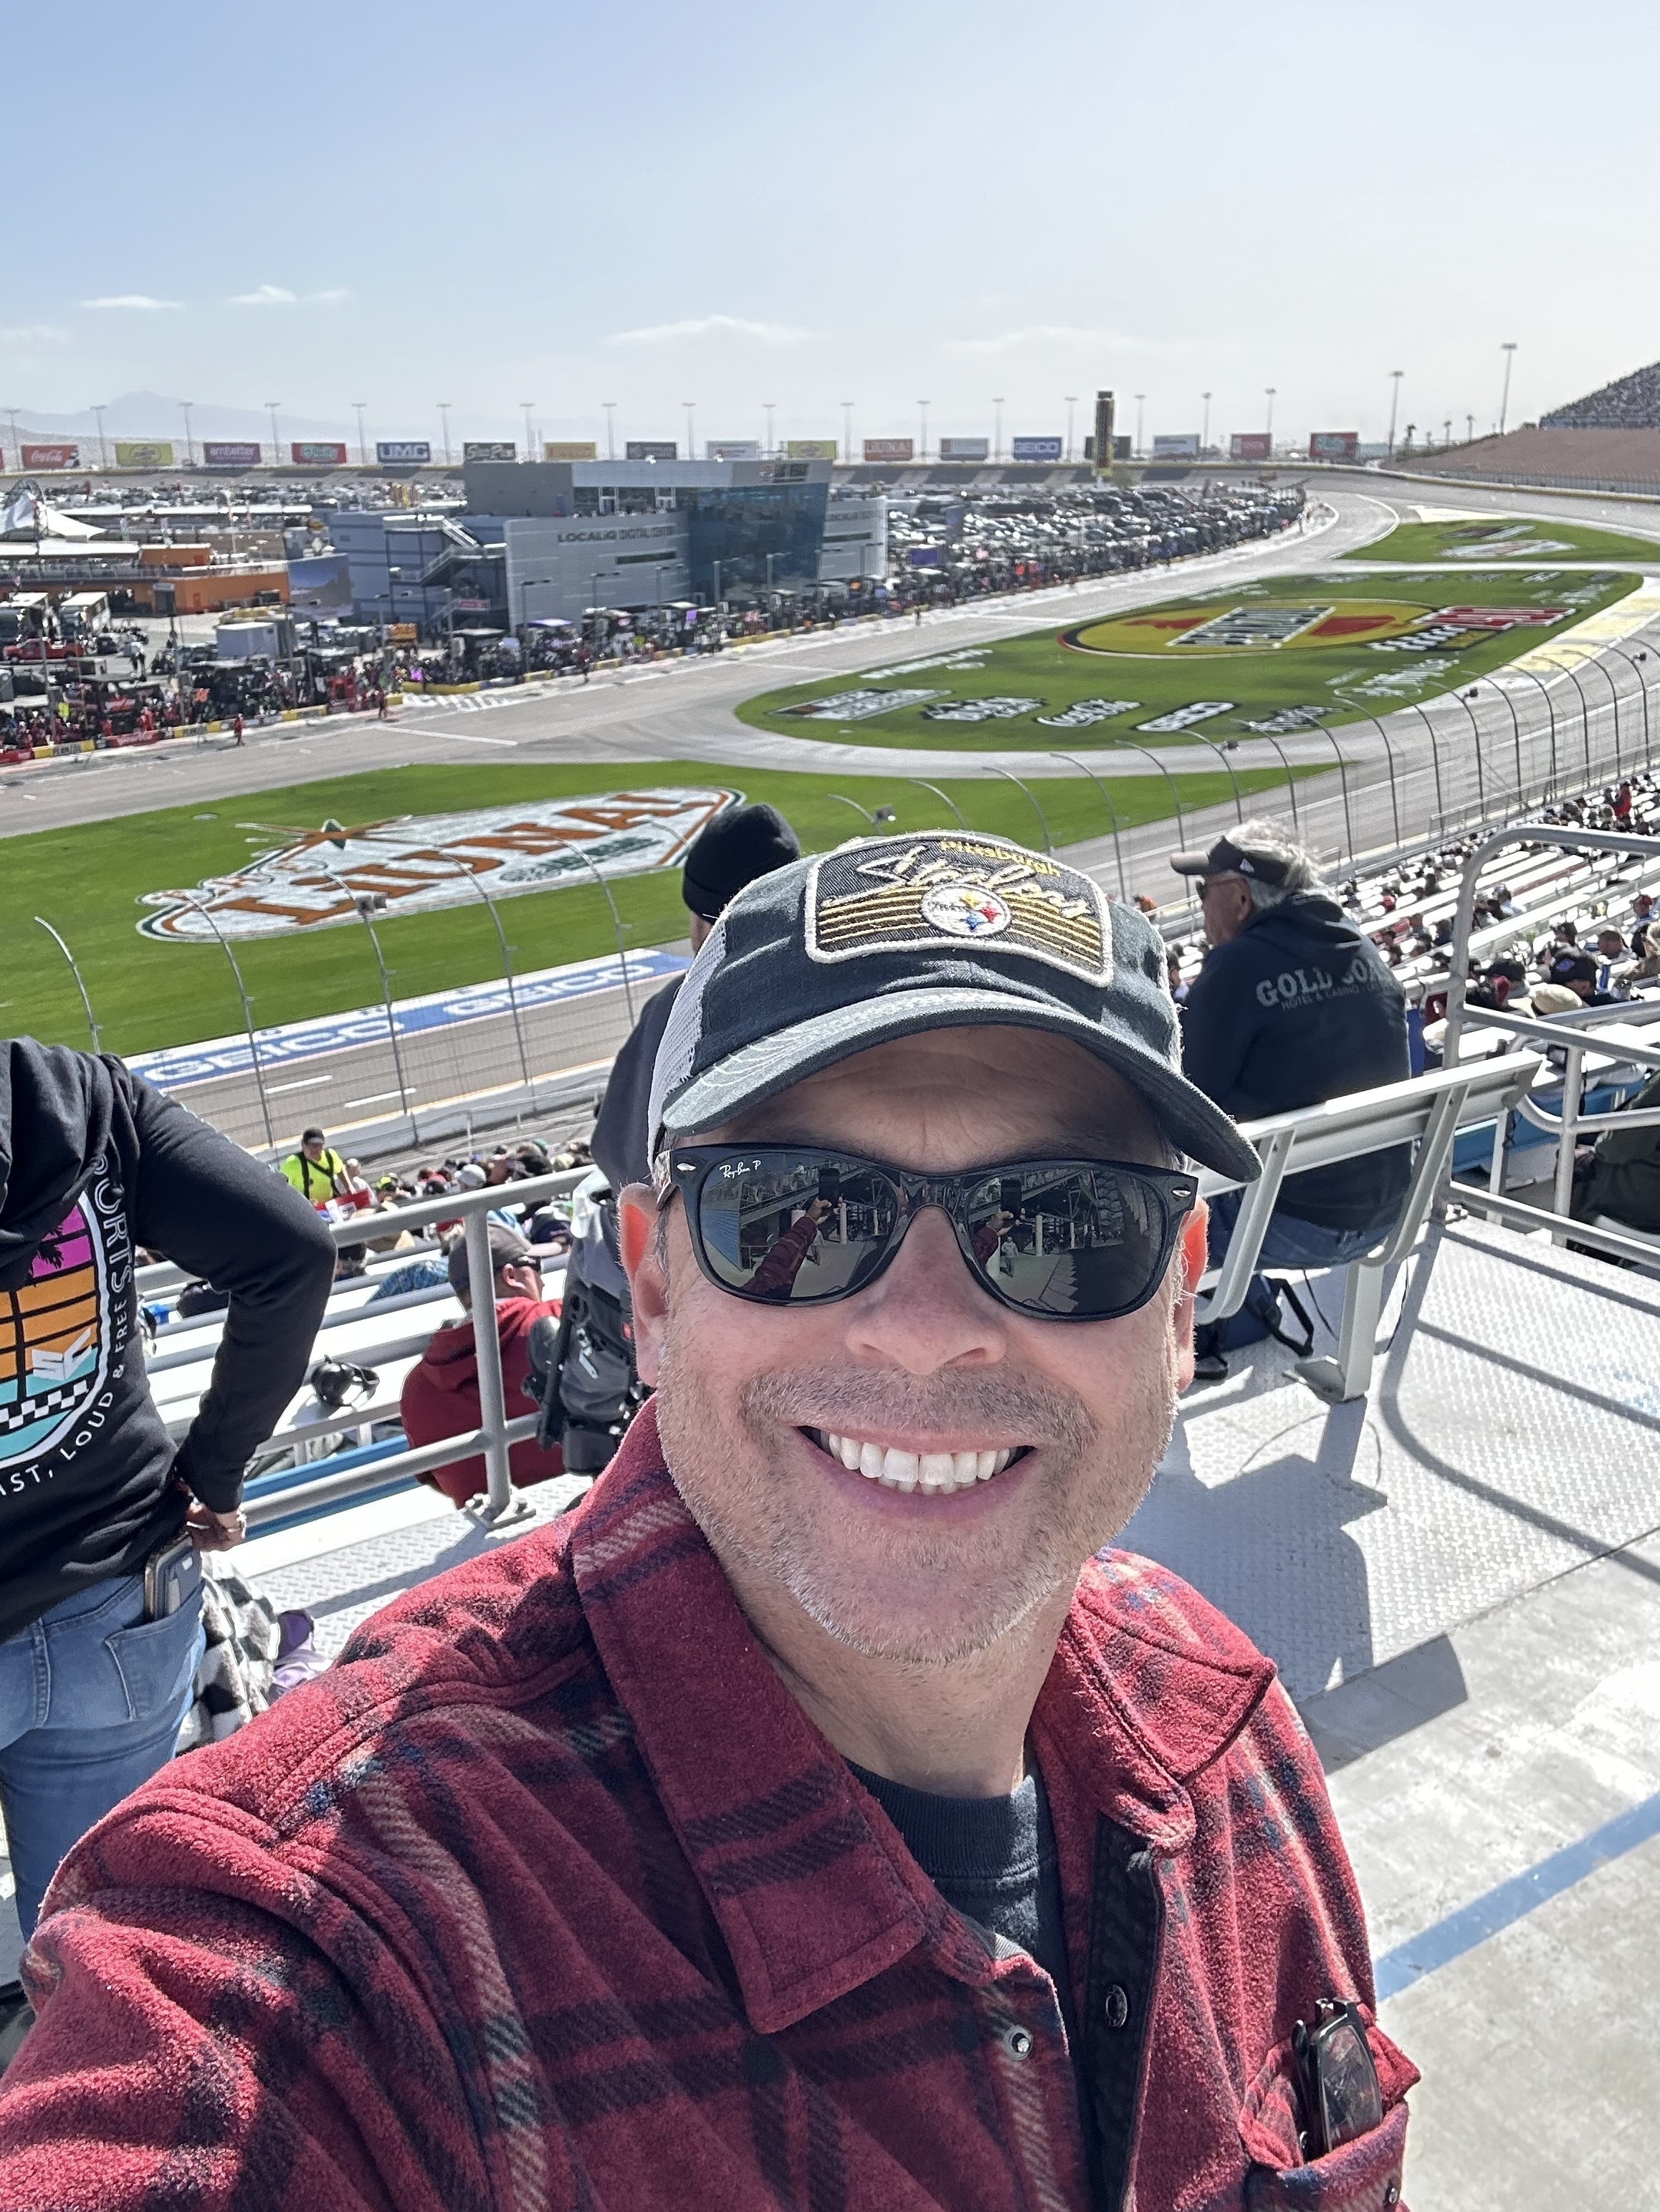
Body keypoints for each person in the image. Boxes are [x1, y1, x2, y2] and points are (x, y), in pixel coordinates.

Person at [0, 834, 1416, 2207]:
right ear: (654, 1287)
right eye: (799, 1210)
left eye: (1063, 1222)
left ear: (1177, 1300)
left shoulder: (1224, 1720)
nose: (927, 1329)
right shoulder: (334, 1930)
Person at [0, 1038, 333, 1950]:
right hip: (120, 1600)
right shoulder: (69, 1097)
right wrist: (213, 1472)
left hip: (120, 1596)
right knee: (102, 1955)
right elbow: (294, 1253)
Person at [1173, 822, 1410, 1292]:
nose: (1202, 905)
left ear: (1242, 898)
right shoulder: (1360, 945)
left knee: (1138, 1225)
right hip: (1385, 1213)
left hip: (1287, 1219)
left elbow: (1188, 1107)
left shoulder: (1236, 966)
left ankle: (1208, 1332)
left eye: (1204, 890)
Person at [591, 799, 801, 1192]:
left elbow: (619, 1153)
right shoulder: (833, 982)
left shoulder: (678, 1008)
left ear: (701, 918)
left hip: (694, 1215)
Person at [398, 1223, 563, 1505]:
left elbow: (432, 1476)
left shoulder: (416, 1386)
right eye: (536, 1266)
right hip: (595, 1505)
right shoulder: (566, 1319)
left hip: (495, 1525)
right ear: (511, 1276)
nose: (543, 1281)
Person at [1570, 1066, 1660, 1232]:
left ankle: (1570, 1242)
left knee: (1570, 1164)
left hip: (1645, 1208)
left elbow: (1615, 1148)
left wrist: (1596, 1148)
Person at [279, 1126, 350, 1206]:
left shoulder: (330, 1155)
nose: (315, 1149)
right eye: (311, 1145)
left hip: (331, 1204)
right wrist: (300, 1203)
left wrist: (349, 1187)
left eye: (318, 1145)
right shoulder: (292, 1163)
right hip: (307, 1208)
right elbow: (281, 1188)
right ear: (303, 1144)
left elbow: (340, 1168)